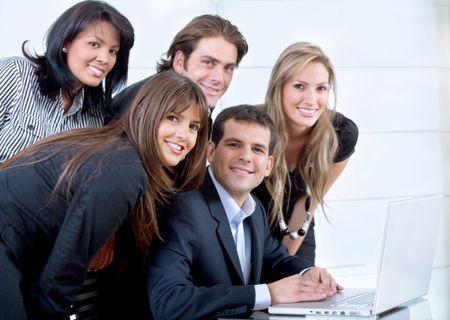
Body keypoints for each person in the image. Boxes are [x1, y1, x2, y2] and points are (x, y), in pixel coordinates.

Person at [0, 71, 209, 320]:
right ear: (144, 112)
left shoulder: (119, 153)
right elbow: (67, 266)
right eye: (173, 118)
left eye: (193, 127)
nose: (184, 135)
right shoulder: (126, 169)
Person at [147, 105, 342, 320]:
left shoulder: (254, 207)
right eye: (234, 145)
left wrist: (308, 274)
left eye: (257, 149)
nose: (246, 157)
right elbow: (168, 301)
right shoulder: (183, 208)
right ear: (210, 151)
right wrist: (269, 293)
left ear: (268, 165)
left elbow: (275, 258)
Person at [253, 42, 359, 265]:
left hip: (297, 227)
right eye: (300, 86)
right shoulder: (252, 127)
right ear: (279, 87)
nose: (311, 100)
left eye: (321, 88)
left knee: (301, 288)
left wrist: (284, 264)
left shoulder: (341, 134)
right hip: (249, 226)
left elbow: (309, 201)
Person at [0, 0, 135, 163]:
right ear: (66, 42)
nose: (105, 59)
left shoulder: (95, 117)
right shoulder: (16, 74)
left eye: (113, 51)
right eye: (94, 44)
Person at [110, 14, 248, 132]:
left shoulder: (196, 99)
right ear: (180, 62)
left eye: (228, 68)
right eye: (207, 63)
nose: (219, 78)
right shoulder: (144, 105)